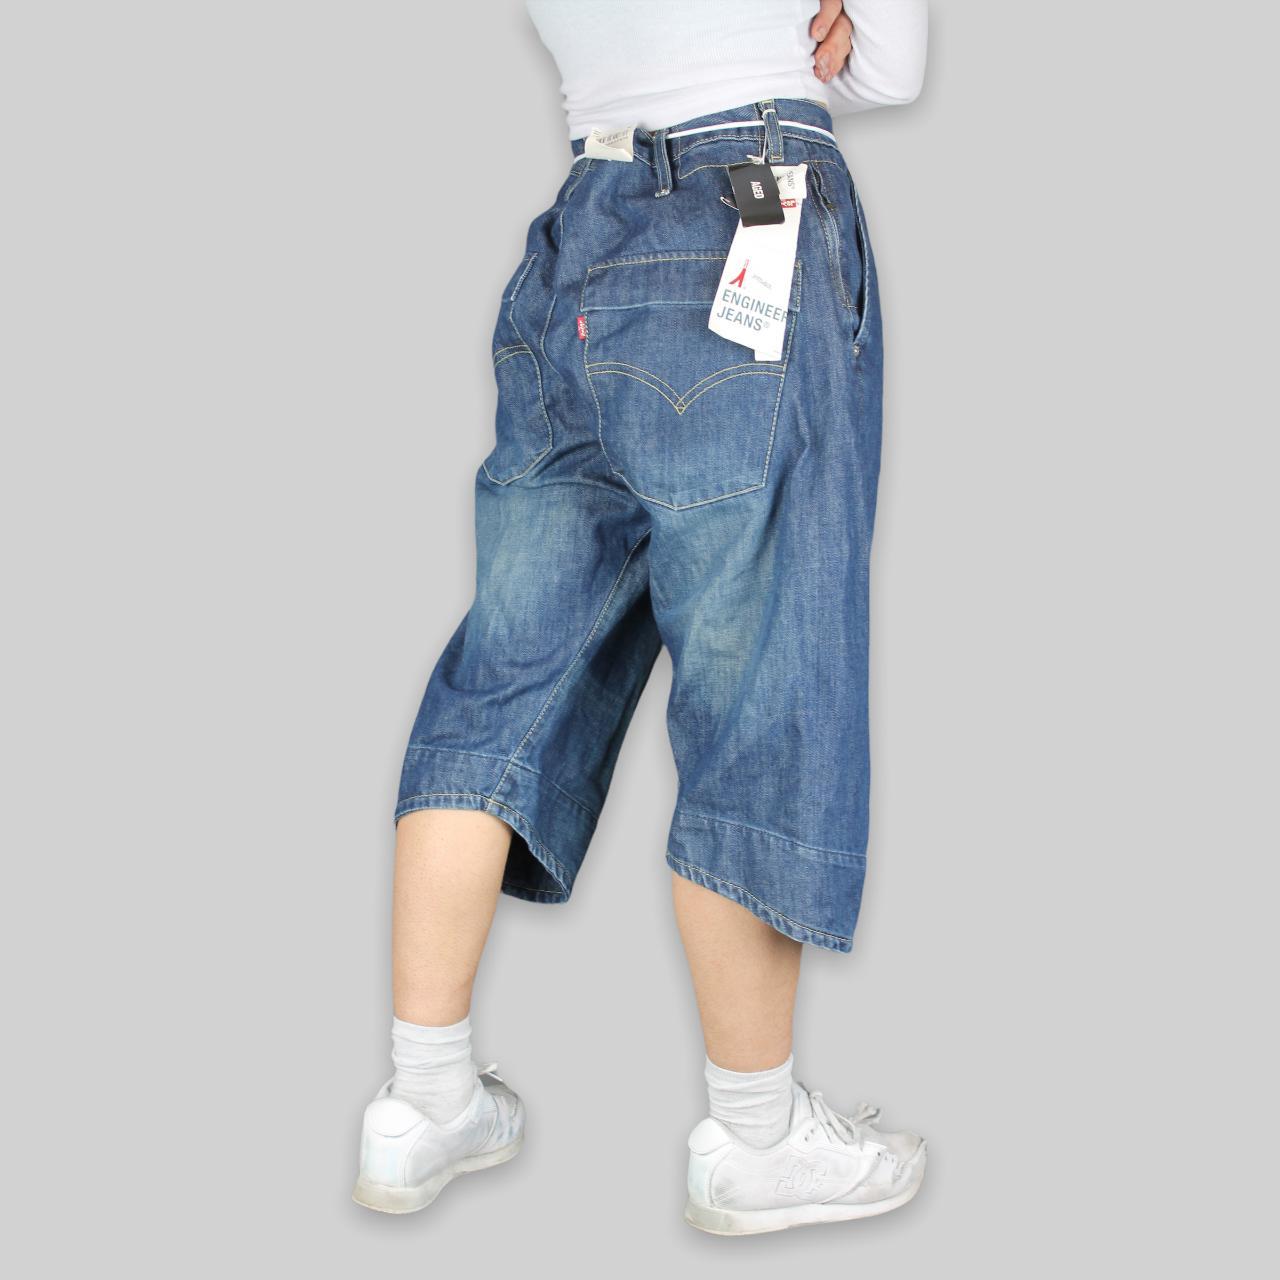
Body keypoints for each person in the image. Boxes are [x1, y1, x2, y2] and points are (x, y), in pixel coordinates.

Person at [353, 0, 929, 1235]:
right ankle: (755, 1135)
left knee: (506, 669)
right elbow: (887, 64)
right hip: (747, 202)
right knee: (754, 676)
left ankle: (422, 1095)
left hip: (584, 229)